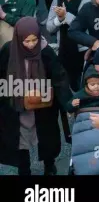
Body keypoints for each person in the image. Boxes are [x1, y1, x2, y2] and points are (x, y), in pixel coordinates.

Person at [0, 17, 70, 175]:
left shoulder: (45, 51)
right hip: (17, 106)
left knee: (46, 138)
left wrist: (68, 102)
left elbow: (59, 76)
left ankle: (49, 165)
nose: (31, 44)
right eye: (27, 41)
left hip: (43, 107)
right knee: (20, 140)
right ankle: (23, 169)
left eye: (34, 40)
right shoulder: (8, 50)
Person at [46, 0, 91, 91]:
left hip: (82, 48)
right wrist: (59, 19)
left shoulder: (86, 1)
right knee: (66, 80)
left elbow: (84, 26)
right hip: (64, 47)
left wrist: (66, 16)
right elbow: (49, 27)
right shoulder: (56, 1)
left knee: (82, 81)